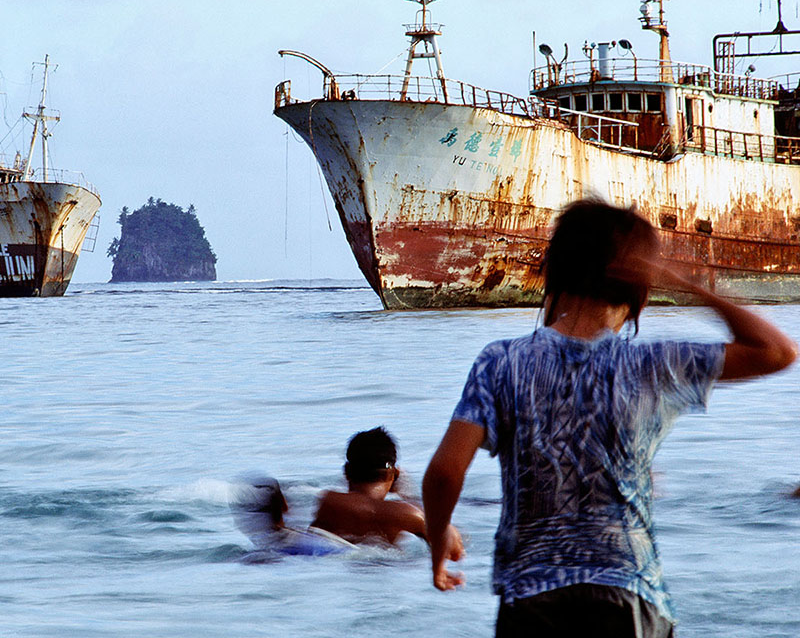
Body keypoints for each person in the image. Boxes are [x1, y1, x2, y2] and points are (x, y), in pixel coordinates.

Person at [421, 200, 797, 637]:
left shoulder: (500, 362)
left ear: (554, 271)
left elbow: (445, 473)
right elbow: (778, 351)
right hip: (627, 595)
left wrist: (438, 535)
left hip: (531, 599)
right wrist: (686, 283)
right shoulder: (655, 364)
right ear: (639, 289)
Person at [311, 427, 462, 553]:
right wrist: (409, 497)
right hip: (391, 566)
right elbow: (452, 545)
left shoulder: (329, 502)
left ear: (346, 471)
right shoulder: (412, 515)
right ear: (395, 475)